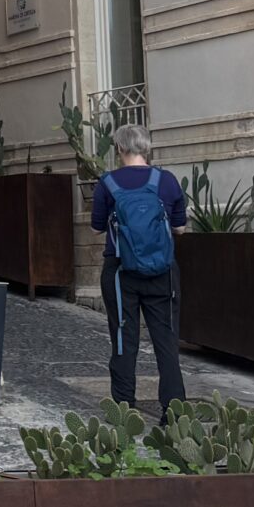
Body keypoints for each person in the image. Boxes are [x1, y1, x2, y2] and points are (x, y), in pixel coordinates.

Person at [91, 124, 186, 408]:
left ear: (119, 149)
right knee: (166, 341)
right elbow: (180, 227)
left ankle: (124, 410)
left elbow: (97, 228)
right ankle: (174, 411)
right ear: (147, 148)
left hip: (121, 271)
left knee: (123, 339)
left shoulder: (107, 183)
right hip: (163, 272)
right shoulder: (166, 181)